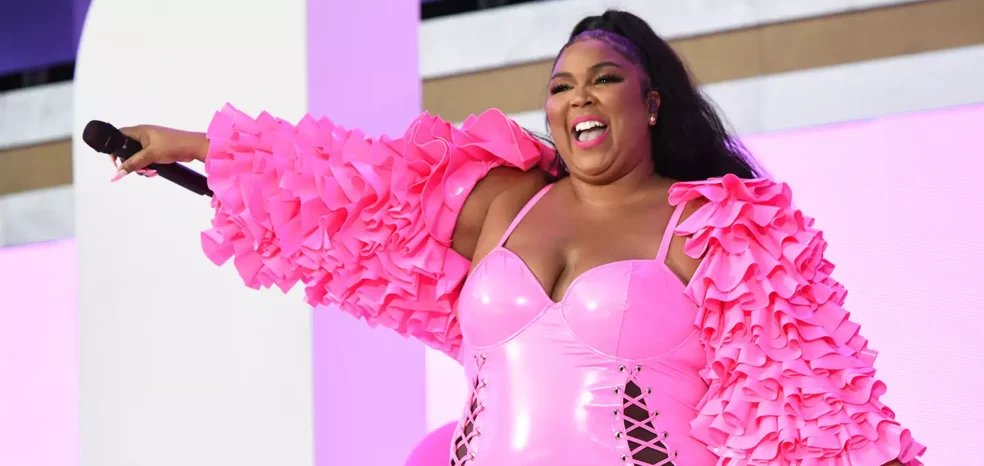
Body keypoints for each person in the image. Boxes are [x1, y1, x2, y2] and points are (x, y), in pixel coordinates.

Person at [107, 9, 924, 466]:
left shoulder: (718, 225)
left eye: (605, 78)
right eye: (561, 86)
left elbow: (808, 404)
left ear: (651, 104)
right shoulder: (506, 200)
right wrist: (195, 146)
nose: (579, 98)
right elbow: (349, 185)